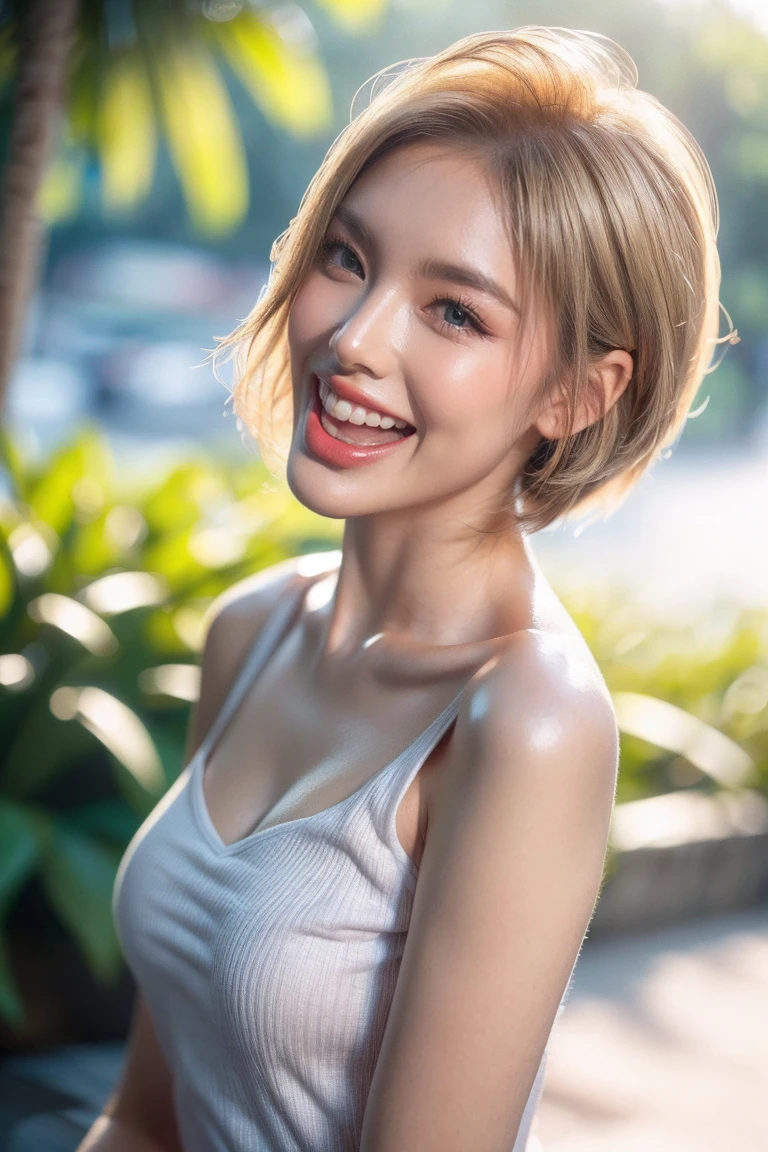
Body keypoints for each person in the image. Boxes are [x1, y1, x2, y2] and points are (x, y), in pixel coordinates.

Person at [80, 25, 729, 1152]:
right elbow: (144, 1120)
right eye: (347, 257)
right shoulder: (253, 630)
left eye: (456, 311)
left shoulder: (525, 719)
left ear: (578, 394)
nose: (354, 337)